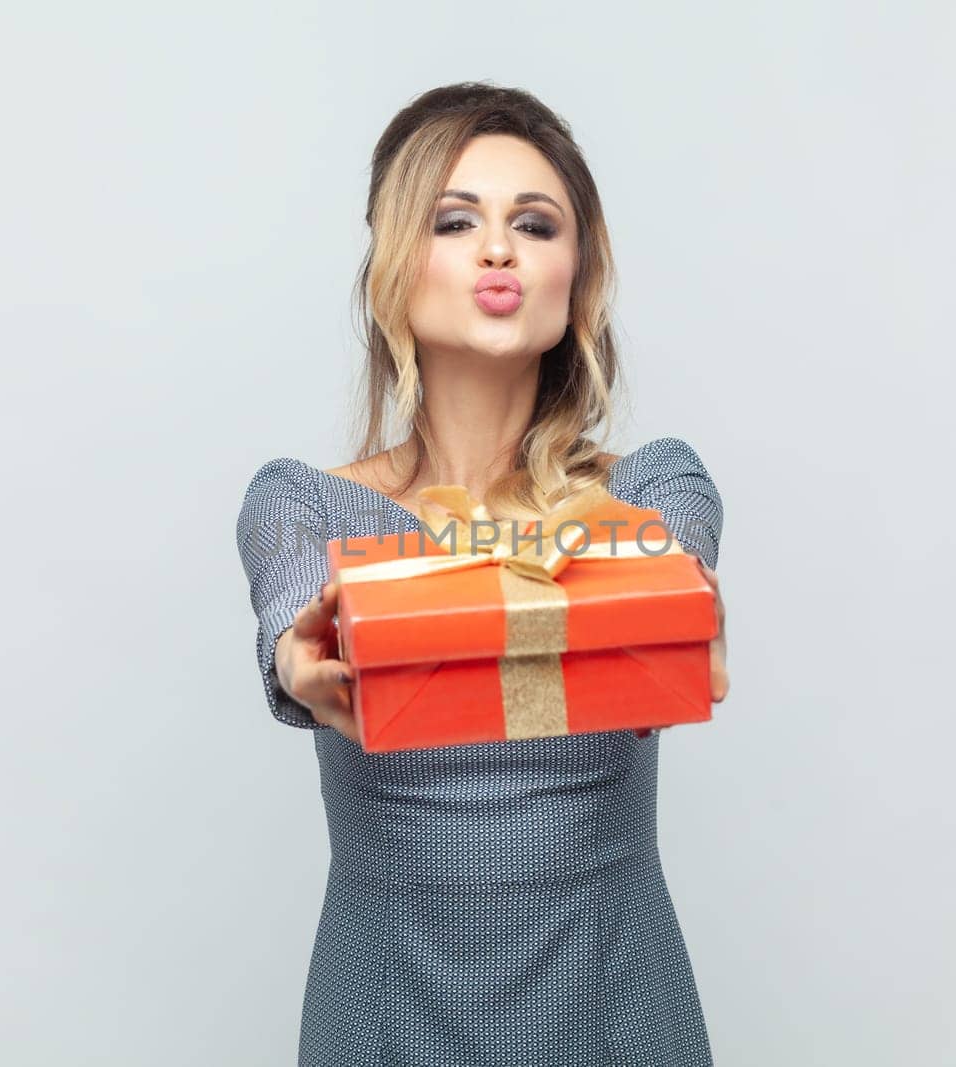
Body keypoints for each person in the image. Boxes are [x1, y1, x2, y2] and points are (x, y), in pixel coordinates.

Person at [235, 81, 729, 1066]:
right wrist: (301, 658)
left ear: (577, 275)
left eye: (535, 224)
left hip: (613, 1007)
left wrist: (673, 624)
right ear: (393, 262)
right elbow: (293, 619)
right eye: (455, 220)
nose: (498, 249)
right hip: (383, 1012)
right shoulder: (303, 504)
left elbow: (676, 590)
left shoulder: (653, 484)